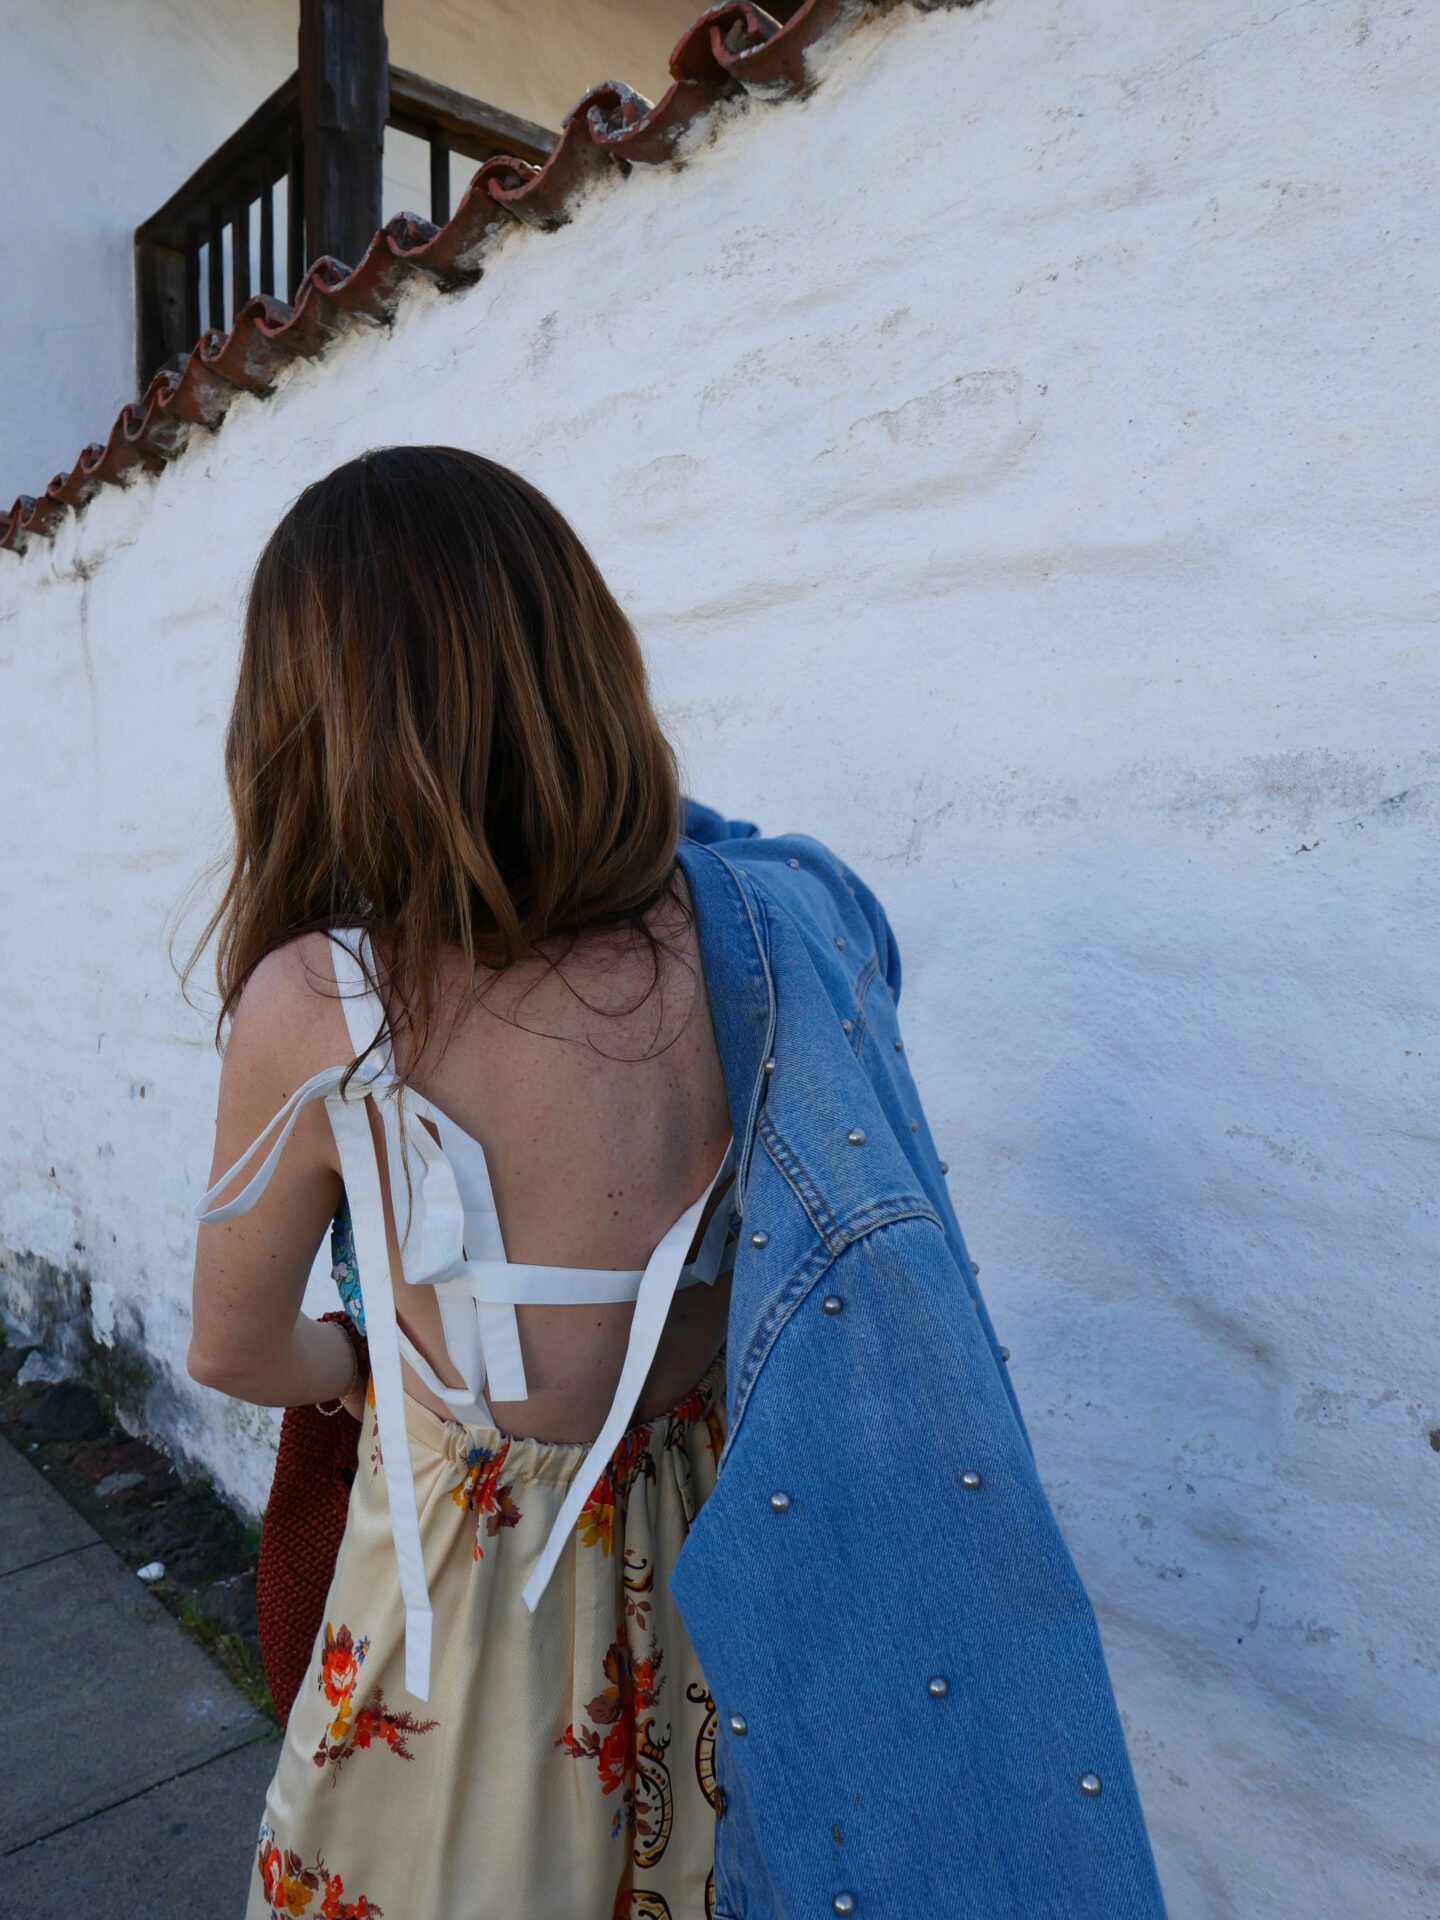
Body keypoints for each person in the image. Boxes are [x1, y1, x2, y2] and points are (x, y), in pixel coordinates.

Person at [189, 446, 1168, 1919]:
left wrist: (367, 1362)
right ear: (575, 657)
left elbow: (233, 1346)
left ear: (310, 716)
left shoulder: (322, 999)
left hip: (474, 1606)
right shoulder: (754, 931)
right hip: (738, 1547)